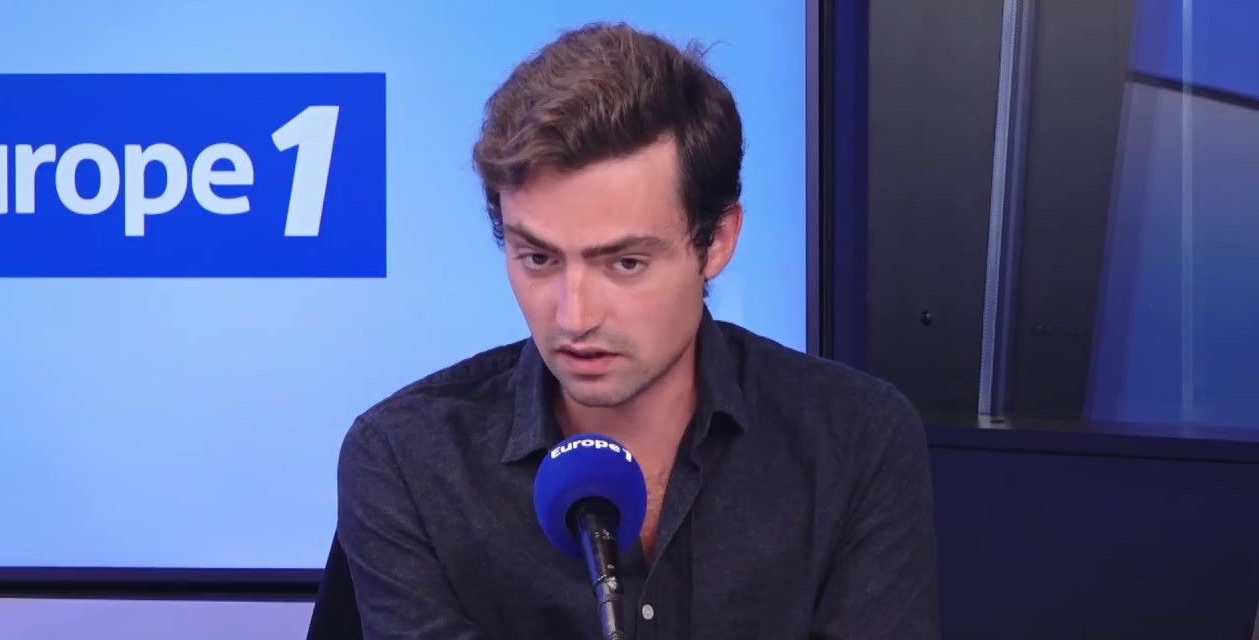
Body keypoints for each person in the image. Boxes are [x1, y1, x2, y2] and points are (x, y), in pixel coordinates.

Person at [337, 21, 940, 639]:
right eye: (538, 258)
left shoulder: (856, 440)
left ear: (717, 241)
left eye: (625, 263)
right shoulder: (407, 462)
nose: (574, 317)